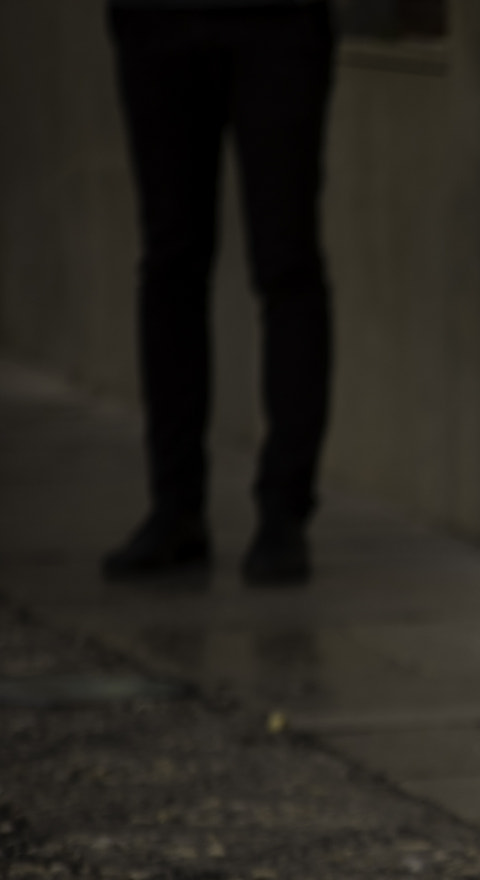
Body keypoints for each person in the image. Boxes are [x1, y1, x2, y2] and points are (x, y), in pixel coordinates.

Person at [100, 0, 337, 587]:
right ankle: (176, 505)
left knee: (285, 262)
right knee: (170, 262)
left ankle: (284, 511)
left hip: (276, 25)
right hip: (158, 23)